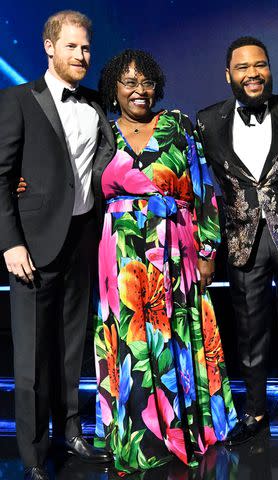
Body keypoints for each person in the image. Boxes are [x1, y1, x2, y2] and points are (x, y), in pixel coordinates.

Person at [93, 49, 236, 472]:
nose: (139, 91)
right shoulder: (103, 132)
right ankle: (137, 435)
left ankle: (180, 431)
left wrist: (208, 250)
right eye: (129, 83)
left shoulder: (177, 125)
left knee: (174, 336)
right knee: (132, 342)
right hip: (119, 253)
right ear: (113, 89)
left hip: (174, 249)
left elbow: (204, 187)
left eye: (146, 82)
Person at [0, 11, 114, 480]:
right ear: (49, 47)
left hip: (82, 240)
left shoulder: (95, 103)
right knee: (30, 357)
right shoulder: (17, 100)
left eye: (86, 48)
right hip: (32, 246)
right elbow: (2, 177)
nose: (81, 56)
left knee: (72, 348)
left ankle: (72, 433)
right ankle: (32, 454)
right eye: (72, 47)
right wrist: (10, 243)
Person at [196, 36, 278, 445]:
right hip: (241, 237)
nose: (253, 73)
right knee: (249, 330)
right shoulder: (207, 121)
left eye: (260, 65)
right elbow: (195, 180)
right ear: (228, 75)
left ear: (270, 68)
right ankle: (253, 409)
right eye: (243, 67)